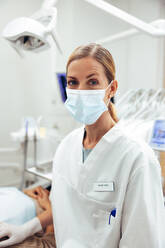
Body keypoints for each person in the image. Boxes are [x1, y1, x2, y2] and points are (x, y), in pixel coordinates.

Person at [0, 43, 165, 248]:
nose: (81, 91)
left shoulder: (137, 158)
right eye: (73, 82)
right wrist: (26, 228)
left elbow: (143, 239)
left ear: (111, 88)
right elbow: (66, 207)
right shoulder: (66, 147)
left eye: (93, 82)